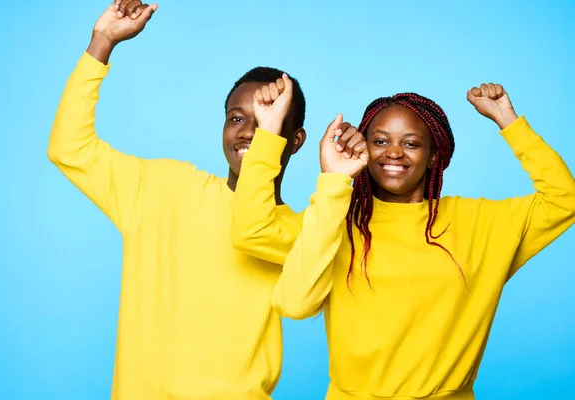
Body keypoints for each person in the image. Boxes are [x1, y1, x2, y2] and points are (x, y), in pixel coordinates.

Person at [46, 0, 336, 397]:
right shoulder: (163, 188)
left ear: (295, 140)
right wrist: (103, 42)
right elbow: (69, 149)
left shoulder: (301, 233)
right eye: (237, 118)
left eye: (266, 122)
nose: (248, 132)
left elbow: (260, 238)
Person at [234, 83, 575, 399]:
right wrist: (329, 180)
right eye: (380, 141)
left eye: (411, 143)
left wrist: (508, 120)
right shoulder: (334, 217)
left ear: (434, 156)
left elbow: (565, 199)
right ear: (363, 149)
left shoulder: (482, 223)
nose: (393, 153)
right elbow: (258, 241)